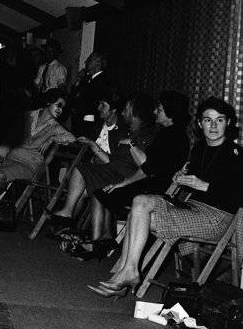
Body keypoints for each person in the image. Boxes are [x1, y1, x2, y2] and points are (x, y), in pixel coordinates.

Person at [89, 97, 243, 297]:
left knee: (141, 202)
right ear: (199, 123)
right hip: (192, 210)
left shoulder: (236, 154)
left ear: (228, 122)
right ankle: (125, 274)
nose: (213, 125)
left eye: (220, 120)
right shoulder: (199, 149)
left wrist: (205, 186)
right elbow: (193, 179)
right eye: (207, 120)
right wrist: (181, 177)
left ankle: (128, 273)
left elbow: (238, 195)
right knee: (139, 209)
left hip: (216, 219)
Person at [72, 91, 190, 260]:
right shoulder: (173, 134)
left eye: (161, 109)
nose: (156, 112)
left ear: (170, 112)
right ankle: (102, 240)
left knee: (104, 191)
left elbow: (148, 168)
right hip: (153, 183)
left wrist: (125, 183)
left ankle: (99, 241)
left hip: (154, 189)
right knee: (104, 190)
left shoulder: (169, 135)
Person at [0, 88, 75, 207]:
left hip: (29, 164)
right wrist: (0, 158)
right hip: (11, 158)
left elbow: (72, 139)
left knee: (0, 174)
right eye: (59, 105)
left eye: (63, 108)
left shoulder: (55, 127)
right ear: (49, 101)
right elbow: (9, 139)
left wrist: (53, 138)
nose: (60, 110)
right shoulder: (27, 115)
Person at [49, 87, 125, 234]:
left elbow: (114, 162)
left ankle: (66, 220)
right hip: (93, 170)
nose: (98, 108)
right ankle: (66, 226)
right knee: (79, 190)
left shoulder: (122, 130)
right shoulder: (97, 125)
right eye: (99, 104)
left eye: (103, 105)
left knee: (79, 187)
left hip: (111, 174)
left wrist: (92, 144)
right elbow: (80, 140)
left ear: (114, 109)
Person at [67, 51, 111, 137]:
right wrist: (79, 80)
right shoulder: (86, 79)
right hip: (78, 121)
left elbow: (94, 104)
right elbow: (73, 95)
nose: (85, 62)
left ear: (97, 63)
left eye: (89, 60)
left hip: (89, 125)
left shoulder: (103, 81)